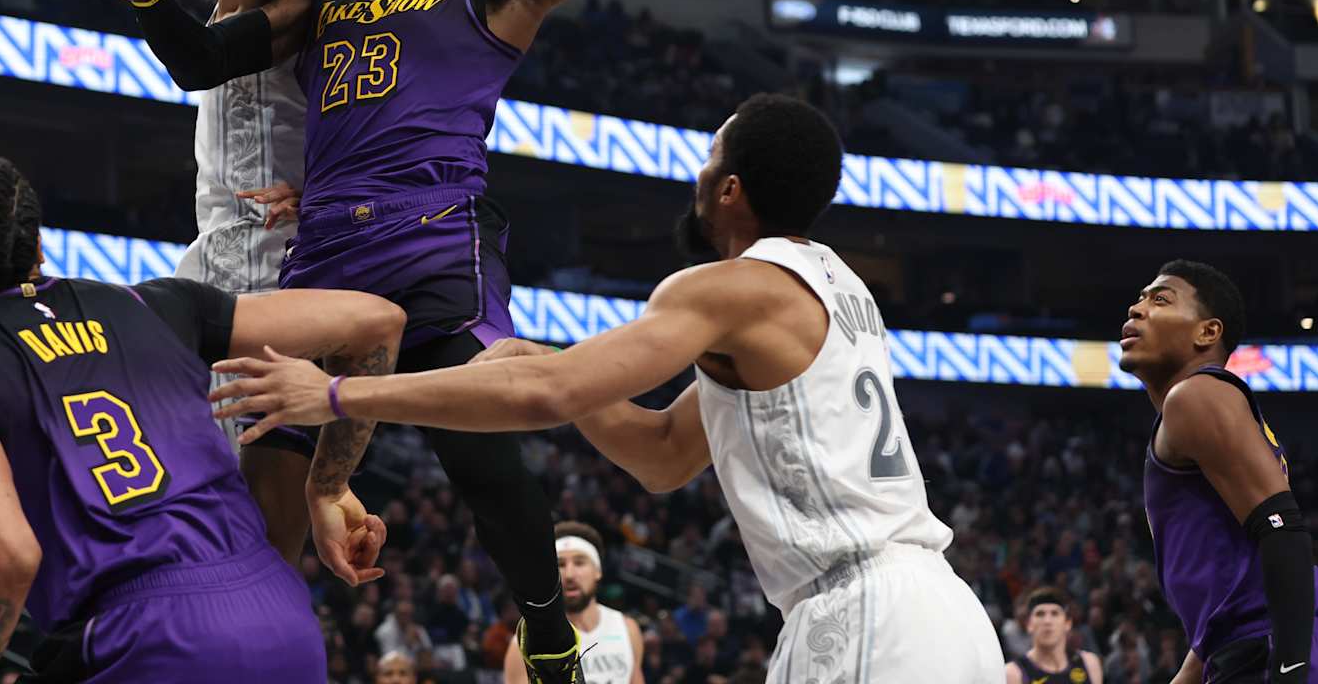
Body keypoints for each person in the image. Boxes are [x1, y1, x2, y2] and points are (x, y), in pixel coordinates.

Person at [84, 0, 777, 683]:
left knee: (469, 413)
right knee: (275, 482)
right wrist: (152, 0)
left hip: (432, 232)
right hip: (323, 256)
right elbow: (204, 48)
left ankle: (544, 626)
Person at [213, 92, 1006, 681]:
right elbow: (661, 454)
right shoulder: (834, 288)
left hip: (868, 609)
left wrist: (338, 397)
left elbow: (546, 397)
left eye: (710, 157)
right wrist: (541, 356)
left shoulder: (726, 288)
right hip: (934, 612)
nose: (699, 173)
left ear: (730, 189)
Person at [0, 157, 404, 682]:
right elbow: (377, 324)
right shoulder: (155, 304)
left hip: (140, 634)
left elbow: (5, 556)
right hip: (283, 618)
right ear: (37, 247)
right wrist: (329, 486)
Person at [150, 0, 342, 562]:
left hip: (292, 271)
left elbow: (376, 131)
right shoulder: (237, 8)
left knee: (267, 525)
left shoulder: (333, 15)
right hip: (211, 267)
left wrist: (326, 188)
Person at [1119, 260, 1317, 682]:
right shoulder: (1200, 412)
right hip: (1249, 645)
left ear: (1207, 332)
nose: (1137, 309)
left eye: (1160, 299)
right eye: (1139, 299)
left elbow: (1284, 531)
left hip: (1275, 646)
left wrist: (1290, 668)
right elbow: (1230, 604)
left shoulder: (1196, 394)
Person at [505, 524, 642, 684]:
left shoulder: (627, 629)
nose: (569, 574)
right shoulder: (526, 643)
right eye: (560, 565)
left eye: (579, 562)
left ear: (598, 571)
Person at [1007, 587, 1103, 684]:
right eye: (1040, 614)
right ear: (1029, 624)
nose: (1047, 621)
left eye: (1055, 613)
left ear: (1067, 623)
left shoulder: (1089, 663)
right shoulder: (1013, 673)